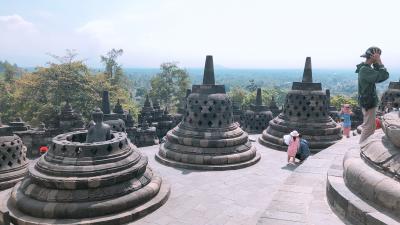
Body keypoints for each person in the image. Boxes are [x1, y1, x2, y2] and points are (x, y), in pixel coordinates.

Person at [356, 47, 389, 143]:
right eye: (378, 56)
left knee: (371, 126)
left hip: (367, 101)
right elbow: (384, 75)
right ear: (373, 56)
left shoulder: (365, 68)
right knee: (368, 128)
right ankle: (361, 148)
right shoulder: (365, 70)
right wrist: (379, 61)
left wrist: (375, 62)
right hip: (368, 102)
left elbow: (378, 75)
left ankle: (364, 147)